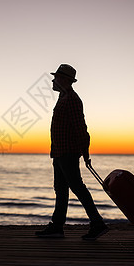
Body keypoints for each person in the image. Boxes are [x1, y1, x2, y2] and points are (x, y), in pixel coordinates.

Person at [35, 64, 109, 240]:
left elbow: (81, 129)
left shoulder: (73, 100)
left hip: (68, 152)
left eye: (56, 78)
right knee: (61, 190)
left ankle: (97, 224)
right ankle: (57, 227)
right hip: (60, 152)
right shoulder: (63, 97)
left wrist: (85, 154)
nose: (53, 80)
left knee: (77, 188)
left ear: (65, 80)